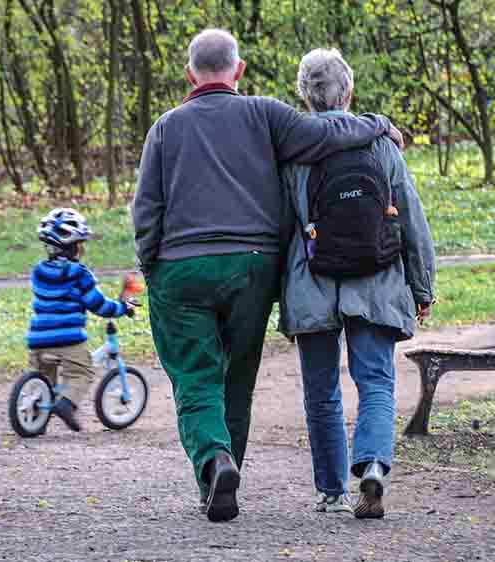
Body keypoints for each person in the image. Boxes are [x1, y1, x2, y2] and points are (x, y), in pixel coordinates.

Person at [131, 29, 403, 523]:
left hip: (182, 266)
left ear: (190, 74)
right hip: (252, 267)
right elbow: (327, 134)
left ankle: (216, 462)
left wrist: (152, 266)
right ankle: (226, 463)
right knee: (237, 375)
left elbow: (146, 211)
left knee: (195, 376)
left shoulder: (165, 128)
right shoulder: (266, 113)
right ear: (239, 70)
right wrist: (377, 124)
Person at [278, 49, 436, 519]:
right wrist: (422, 286)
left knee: (321, 390)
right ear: (349, 93)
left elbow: (279, 228)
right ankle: (372, 466)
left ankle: (331, 491)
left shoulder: (292, 154)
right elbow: (411, 218)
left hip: (313, 283)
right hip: (378, 277)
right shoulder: (382, 145)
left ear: (305, 98)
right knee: (376, 382)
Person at [26, 208, 135, 431]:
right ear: (73, 246)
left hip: (37, 339)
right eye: (81, 243)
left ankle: (35, 414)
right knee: (81, 373)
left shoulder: (38, 272)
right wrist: (122, 307)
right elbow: (98, 304)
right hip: (68, 340)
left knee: (43, 380)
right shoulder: (80, 274)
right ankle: (66, 405)